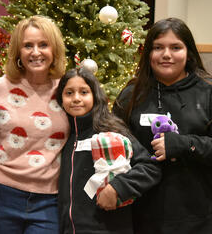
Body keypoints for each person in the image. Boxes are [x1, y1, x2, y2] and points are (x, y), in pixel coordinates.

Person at [112, 17, 212, 233]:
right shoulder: (131, 95)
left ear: (188, 52)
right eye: (158, 47)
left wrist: (185, 144)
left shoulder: (211, 92)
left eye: (175, 47)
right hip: (141, 216)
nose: (166, 54)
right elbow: (115, 146)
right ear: (148, 52)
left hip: (198, 218)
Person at [0, 15, 69, 233]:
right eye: (27, 45)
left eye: (43, 45)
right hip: (1, 193)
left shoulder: (67, 89)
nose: (36, 52)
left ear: (54, 50)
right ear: (18, 52)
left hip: (49, 199)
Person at [55, 67, 161, 233]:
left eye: (84, 92)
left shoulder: (110, 130)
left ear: (95, 96)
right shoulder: (64, 136)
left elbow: (150, 167)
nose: (76, 98)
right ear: (61, 98)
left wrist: (118, 188)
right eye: (69, 93)